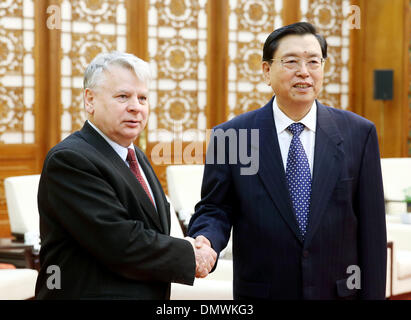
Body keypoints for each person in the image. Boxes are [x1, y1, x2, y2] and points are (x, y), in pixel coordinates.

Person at [188, 22, 387, 300]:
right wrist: (206, 240)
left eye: (313, 62)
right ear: (266, 71)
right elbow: (215, 207)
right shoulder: (232, 136)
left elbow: (373, 232)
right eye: (291, 61)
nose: (304, 72)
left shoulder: (359, 133)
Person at [35, 51, 216, 299]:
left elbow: (153, 229)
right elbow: (120, 242)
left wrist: (198, 244)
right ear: (90, 100)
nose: (135, 107)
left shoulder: (136, 155)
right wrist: (190, 254)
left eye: (142, 98)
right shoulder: (70, 160)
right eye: (123, 96)